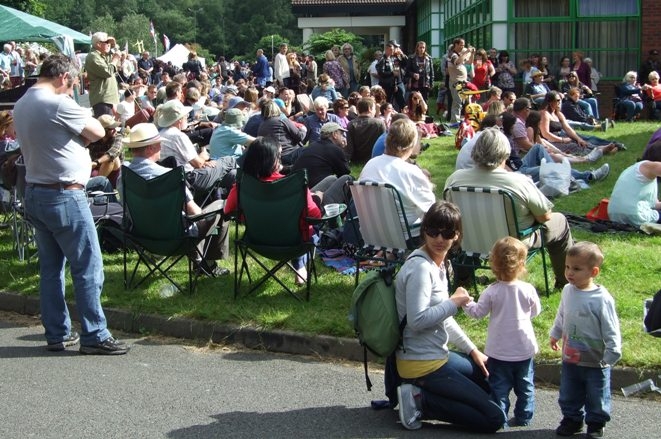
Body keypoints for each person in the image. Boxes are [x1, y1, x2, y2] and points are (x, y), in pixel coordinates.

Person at [13, 54, 129, 355]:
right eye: (74, 82)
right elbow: (98, 132)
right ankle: (94, 334)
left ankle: (58, 333)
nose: (73, 87)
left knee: (51, 269)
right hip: (63, 193)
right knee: (88, 265)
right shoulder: (57, 103)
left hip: (36, 191)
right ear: (64, 77)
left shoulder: (23, 102)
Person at [394, 200, 505, 432]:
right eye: (433, 231)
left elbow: (442, 318)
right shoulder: (421, 269)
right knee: (494, 419)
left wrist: (473, 351)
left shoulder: (440, 264)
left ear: (457, 236)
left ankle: (431, 395)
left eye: (447, 233)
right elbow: (417, 321)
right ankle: (421, 402)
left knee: (489, 378)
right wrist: (453, 303)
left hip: (437, 355)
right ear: (424, 231)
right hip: (421, 364)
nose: (439, 239)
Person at [445, 128, 573, 289]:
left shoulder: (454, 180)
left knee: (469, 227)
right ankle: (565, 282)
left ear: (475, 152)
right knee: (559, 221)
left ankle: (464, 280)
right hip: (513, 244)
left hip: (469, 242)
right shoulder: (517, 182)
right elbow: (545, 216)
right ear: (505, 154)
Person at [124, 123, 230, 277]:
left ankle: (200, 259)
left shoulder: (124, 176)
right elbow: (195, 212)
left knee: (190, 218)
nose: (161, 147)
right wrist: (210, 225)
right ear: (150, 148)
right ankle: (208, 264)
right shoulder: (169, 176)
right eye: (159, 144)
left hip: (141, 237)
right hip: (178, 238)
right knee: (221, 206)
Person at [463, 236, 541, 427]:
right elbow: (535, 311)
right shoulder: (527, 289)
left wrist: (466, 301)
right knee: (525, 386)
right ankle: (524, 417)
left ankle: (500, 418)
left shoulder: (492, 291)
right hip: (524, 348)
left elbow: (477, 313)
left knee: (499, 388)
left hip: (499, 352)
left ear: (493, 263)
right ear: (521, 263)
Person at [223, 136, 321, 284]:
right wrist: (315, 199)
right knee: (312, 228)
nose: (280, 160)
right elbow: (316, 215)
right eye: (279, 156)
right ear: (271, 160)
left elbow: (228, 210)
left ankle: (300, 268)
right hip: (294, 243)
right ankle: (300, 267)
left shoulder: (242, 186)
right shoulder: (295, 186)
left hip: (257, 241)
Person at [549, 242, 621, 439]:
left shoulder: (601, 298)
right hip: (571, 356)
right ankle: (572, 419)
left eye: (577, 269)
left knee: (597, 394)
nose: (570, 273)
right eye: (567, 267)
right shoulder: (567, 291)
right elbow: (562, 315)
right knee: (569, 392)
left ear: (594, 271)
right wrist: (555, 333)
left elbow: (610, 327)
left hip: (596, 360)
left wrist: (612, 352)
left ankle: (596, 422)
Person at [359, 118, 435, 237]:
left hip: (373, 233)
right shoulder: (411, 172)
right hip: (406, 235)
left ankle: (389, 253)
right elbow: (432, 209)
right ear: (412, 144)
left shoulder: (370, 165)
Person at [158, 99, 237, 198]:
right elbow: (198, 163)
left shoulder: (161, 134)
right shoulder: (178, 136)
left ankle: (218, 195)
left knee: (231, 173)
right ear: (179, 119)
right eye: (186, 115)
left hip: (174, 180)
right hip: (190, 180)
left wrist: (203, 161)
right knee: (230, 160)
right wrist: (203, 155)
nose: (187, 117)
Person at [608, 140, 661, 227]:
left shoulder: (638, 170)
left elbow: (654, 204)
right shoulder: (650, 166)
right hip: (635, 215)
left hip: (615, 215)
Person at [292, 122, 351, 190]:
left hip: (298, 188)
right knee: (348, 179)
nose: (343, 137)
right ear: (335, 134)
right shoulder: (334, 149)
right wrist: (342, 149)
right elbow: (344, 173)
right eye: (341, 134)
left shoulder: (312, 146)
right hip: (312, 192)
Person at [257, 100, 306, 165]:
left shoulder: (262, 124)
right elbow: (299, 136)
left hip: (271, 158)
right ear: (276, 108)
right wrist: (303, 129)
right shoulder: (282, 120)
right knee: (310, 151)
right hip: (288, 154)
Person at [85, 32, 120, 118]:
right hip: (102, 100)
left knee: (110, 128)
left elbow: (116, 65)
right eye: (107, 42)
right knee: (106, 128)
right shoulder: (93, 56)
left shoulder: (102, 55)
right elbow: (108, 71)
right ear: (98, 44)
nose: (109, 45)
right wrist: (115, 59)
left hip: (107, 99)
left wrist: (114, 46)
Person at [346, 97, 386, 163]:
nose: (375, 111)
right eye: (374, 108)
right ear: (370, 109)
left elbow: (349, 147)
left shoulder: (351, 124)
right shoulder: (379, 123)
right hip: (375, 159)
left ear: (358, 109)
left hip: (356, 160)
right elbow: (384, 143)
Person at [446, 38, 475, 123]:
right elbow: (458, 62)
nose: (463, 46)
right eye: (461, 45)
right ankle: (454, 121)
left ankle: (469, 119)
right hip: (456, 82)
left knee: (467, 101)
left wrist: (472, 53)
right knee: (457, 102)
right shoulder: (452, 54)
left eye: (463, 45)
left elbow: (469, 62)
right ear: (456, 44)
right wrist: (466, 52)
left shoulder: (460, 54)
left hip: (464, 82)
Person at [376, 40, 407, 111]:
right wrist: (391, 73)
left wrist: (402, 54)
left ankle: (403, 116)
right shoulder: (382, 59)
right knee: (387, 103)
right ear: (387, 49)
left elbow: (406, 64)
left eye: (394, 49)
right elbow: (381, 72)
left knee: (402, 102)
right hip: (388, 85)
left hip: (398, 83)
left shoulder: (396, 57)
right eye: (391, 49)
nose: (393, 51)